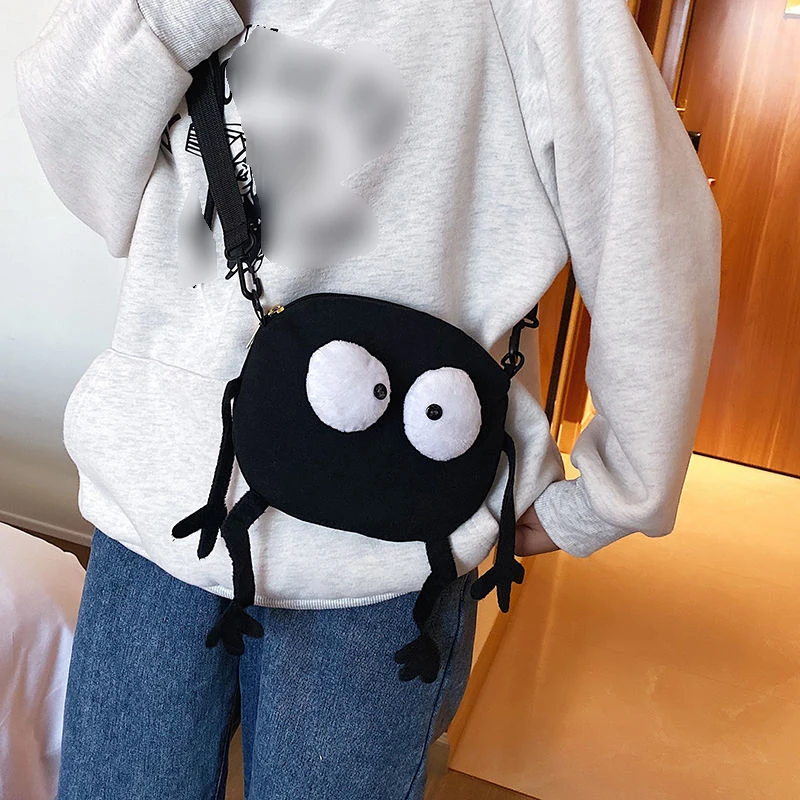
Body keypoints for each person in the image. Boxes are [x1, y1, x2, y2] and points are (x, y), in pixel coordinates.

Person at [14, 0, 720, 797]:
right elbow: (81, 154)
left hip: (390, 562)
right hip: (158, 505)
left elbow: (651, 224)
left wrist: (613, 495)